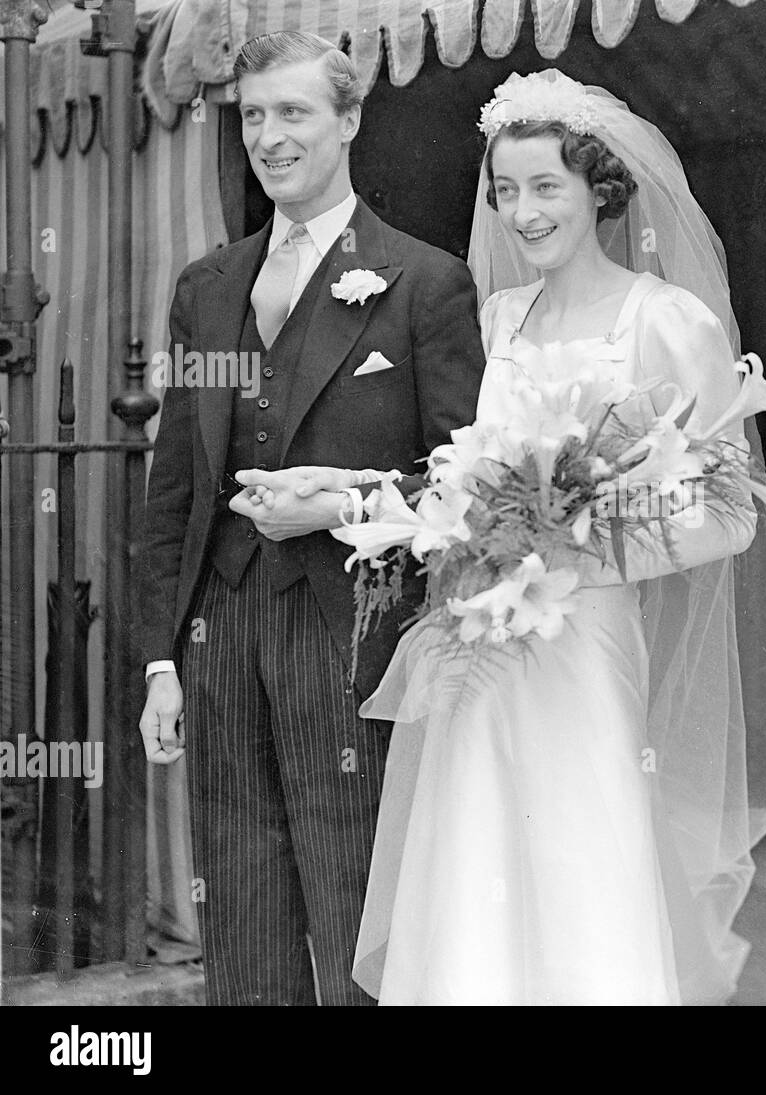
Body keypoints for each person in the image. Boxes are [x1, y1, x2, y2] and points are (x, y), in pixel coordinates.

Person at [242, 70, 766, 1004]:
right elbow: (448, 478)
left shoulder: (664, 321)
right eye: (505, 191)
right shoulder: (494, 321)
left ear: (600, 189)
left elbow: (732, 512)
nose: (522, 212)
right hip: (480, 649)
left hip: (583, 647)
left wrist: (580, 541)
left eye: (546, 187)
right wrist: (341, 489)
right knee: (477, 870)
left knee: (580, 865)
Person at [134, 31, 484, 1005]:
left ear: (349, 120)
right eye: (253, 116)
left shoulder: (425, 283)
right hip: (218, 635)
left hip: (354, 641)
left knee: (356, 910)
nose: (269, 137)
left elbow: (468, 492)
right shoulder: (207, 289)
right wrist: (162, 659)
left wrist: (341, 500)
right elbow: (172, 487)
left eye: (293, 113)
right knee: (240, 911)